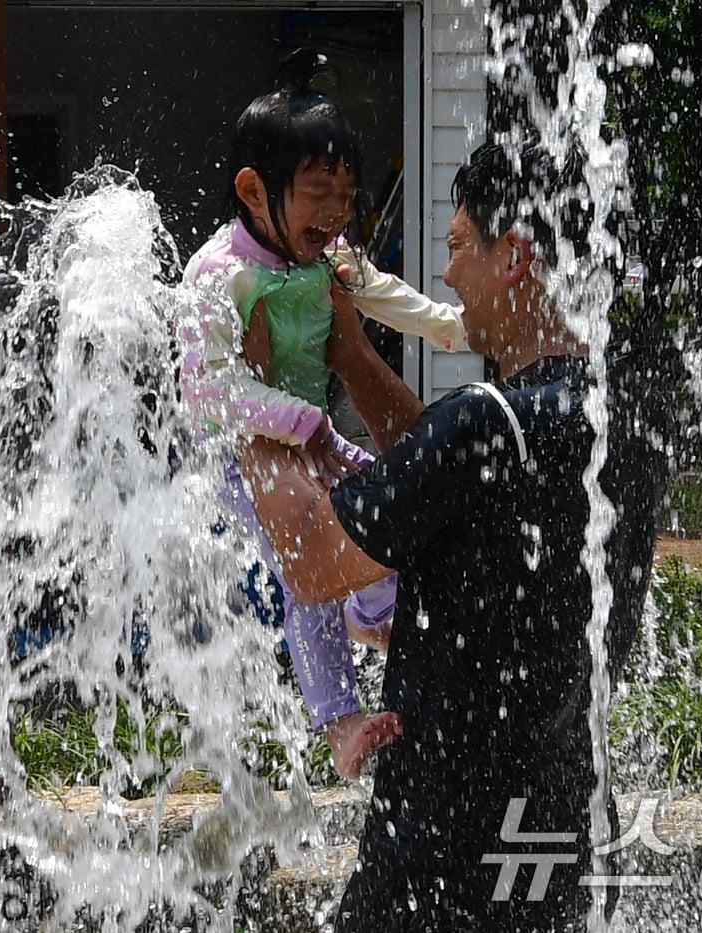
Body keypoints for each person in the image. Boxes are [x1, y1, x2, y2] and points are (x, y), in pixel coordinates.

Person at [239, 138, 671, 931]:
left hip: (437, 856)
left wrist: (247, 395)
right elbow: (446, 486)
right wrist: (352, 352)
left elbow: (310, 562)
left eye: (458, 244)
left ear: (513, 256)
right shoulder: (629, 427)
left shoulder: (482, 428)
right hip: (554, 837)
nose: (446, 274)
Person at [181, 49, 465, 780]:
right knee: (311, 572)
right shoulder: (220, 275)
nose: (336, 213)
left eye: (345, 193)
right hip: (241, 454)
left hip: (310, 434)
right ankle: (339, 722)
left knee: (392, 508)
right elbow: (205, 390)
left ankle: (376, 616)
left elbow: (382, 292)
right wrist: (295, 420)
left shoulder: (321, 256)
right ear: (253, 189)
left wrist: (453, 328)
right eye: (317, 192)